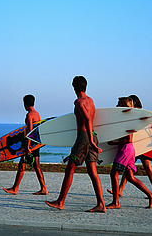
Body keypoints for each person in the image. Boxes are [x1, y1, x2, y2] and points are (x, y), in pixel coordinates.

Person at [46, 76, 106, 212]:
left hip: (84, 138)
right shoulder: (91, 100)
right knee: (92, 172)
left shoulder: (78, 102)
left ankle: (60, 202)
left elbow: (86, 118)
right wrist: (93, 139)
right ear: (86, 86)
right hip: (93, 135)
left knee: (69, 170)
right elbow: (91, 118)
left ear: (74, 87)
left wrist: (89, 140)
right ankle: (101, 204)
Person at [107, 95, 152, 199]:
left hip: (140, 145)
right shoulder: (131, 115)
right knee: (129, 170)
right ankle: (120, 190)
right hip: (134, 146)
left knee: (147, 168)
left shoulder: (138, 115)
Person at [3, 95, 48, 195]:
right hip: (36, 143)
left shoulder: (29, 115)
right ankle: (43, 188)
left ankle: (15, 188)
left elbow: (30, 132)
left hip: (30, 144)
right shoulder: (37, 114)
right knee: (36, 165)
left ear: (25, 104)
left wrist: (27, 147)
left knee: (22, 165)